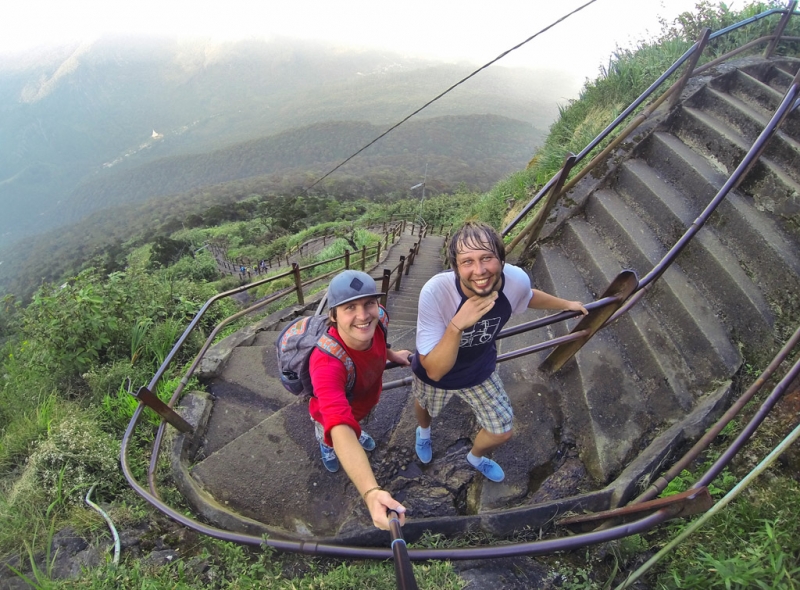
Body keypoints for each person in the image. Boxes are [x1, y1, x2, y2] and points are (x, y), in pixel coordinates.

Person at [411, 221, 588, 482]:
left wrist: (566, 304)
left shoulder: (515, 280)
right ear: (455, 267)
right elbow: (435, 371)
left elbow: (526, 296)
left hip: (479, 369)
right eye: (467, 261)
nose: (480, 270)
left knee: (502, 430)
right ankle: (423, 432)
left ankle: (475, 457)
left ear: (501, 260)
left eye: (487, 258)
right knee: (424, 403)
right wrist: (457, 324)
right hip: (435, 369)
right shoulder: (436, 292)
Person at [309, 269, 412, 530]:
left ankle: (358, 433)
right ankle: (326, 447)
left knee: (359, 421)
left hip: (365, 399)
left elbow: (380, 339)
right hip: (329, 415)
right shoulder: (326, 363)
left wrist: (392, 355)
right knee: (332, 434)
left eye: (369, 304)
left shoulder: (381, 319)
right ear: (333, 316)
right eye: (349, 307)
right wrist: (370, 491)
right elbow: (339, 422)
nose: (363, 315)